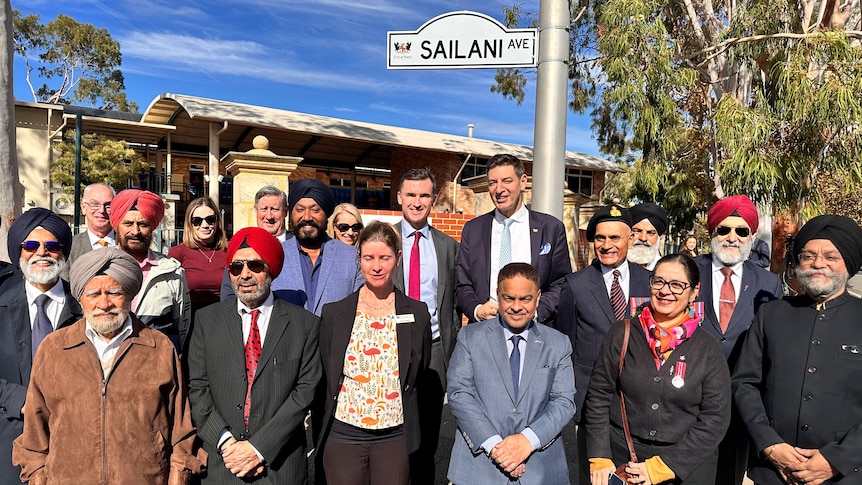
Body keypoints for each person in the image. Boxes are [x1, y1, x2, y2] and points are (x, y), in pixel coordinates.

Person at [12, 248, 203, 484]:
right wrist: (39, 478)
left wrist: (178, 477)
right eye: (93, 294)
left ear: (130, 295)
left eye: (114, 292)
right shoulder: (54, 350)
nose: (104, 303)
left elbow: (181, 430)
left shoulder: (159, 348)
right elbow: (34, 435)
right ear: (80, 297)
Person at [732, 215, 862, 485]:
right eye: (809, 255)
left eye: (830, 257)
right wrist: (769, 445)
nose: (818, 264)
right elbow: (744, 384)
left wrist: (837, 460)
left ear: (848, 264)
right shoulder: (772, 314)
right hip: (773, 471)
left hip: (846, 474)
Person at [188, 227, 322, 484]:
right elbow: (198, 387)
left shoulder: (304, 325)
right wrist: (227, 443)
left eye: (255, 265)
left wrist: (258, 448)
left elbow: (304, 394)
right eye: (236, 267)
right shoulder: (206, 321)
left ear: (270, 270)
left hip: (280, 466)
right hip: (223, 464)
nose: (245, 275)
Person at [586, 253, 731, 485]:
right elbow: (598, 397)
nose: (665, 291)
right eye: (659, 281)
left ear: (694, 292)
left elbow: (716, 417)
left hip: (686, 464)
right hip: (625, 461)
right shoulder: (622, 334)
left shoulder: (708, 348)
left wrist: (665, 467)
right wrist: (600, 456)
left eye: (677, 285)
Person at [317, 221, 432, 485]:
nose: (376, 266)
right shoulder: (335, 313)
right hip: (344, 434)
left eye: (385, 258)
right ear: (359, 258)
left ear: (398, 258)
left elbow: (419, 369)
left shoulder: (416, 313)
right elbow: (327, 368)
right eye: (369, 258)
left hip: (394, 436)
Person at [447, 262, 575, 485]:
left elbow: (564, 402)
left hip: (540, 468)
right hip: (479, 468)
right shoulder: (470, 337)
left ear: (538, 297)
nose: (517, 306)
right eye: (509, 298)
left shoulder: (558, 344)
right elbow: (459, 394)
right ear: (498, 295)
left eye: (525, 298)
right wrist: (496, 447)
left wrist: (527, 441)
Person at [554, 204, 652, 484]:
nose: (606, 245)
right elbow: (567, 343)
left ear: (630, 238)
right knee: (593, 477)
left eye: (615, 238)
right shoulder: (575, 285)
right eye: (600, 238)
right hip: (592, 403)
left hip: (640, 401)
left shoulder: (650, 282)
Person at [694, 195, 782, 485]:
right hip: (690, 396)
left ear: (752, 236)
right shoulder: (689, 270)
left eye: (741, 231)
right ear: (712, 232)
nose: (732, 237)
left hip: (739, 400)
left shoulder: (768, 283)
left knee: (729, 474)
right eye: (724, 229)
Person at [0, 208, 82, 484]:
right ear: (19, 251)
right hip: (8, 444)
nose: (42, 253)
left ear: (63, 251)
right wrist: (21, 400)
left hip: (73, 444)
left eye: (52, 246)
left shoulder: (86, 307)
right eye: (32, 245)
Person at [391, 167, 460, 484]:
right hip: (389, 350)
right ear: (399, 197)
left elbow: (456, 300)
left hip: (433, 351)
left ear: (433, 199)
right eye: (411, 195)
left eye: (424, 195)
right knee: (392, 436)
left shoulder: (447, 246)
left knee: (428, 436)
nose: (417, 202)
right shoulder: (384, 239)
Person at [456, 154, 571, 323]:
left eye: (507, 181)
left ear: (523, 181)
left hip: (534, 329)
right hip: (486, 329)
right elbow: (463, 285)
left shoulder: (551, 228)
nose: (499, 189)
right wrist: (477, 310)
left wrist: (535, 312)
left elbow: (561, 284)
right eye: (493, 182)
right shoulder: (473, 230)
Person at [111, 189, 191, 353]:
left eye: (143, 224)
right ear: (117, 226)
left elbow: (182, 328)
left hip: (157, 367)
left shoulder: (172, 272)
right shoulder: (99, 268)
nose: (135, 231)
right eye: (128, 224)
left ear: (152, 227)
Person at [269, 178, 364, 314]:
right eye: (300, 209)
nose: (307, 217)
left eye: (315, 210)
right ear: (290, 213)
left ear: (327, 215)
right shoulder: (275, 255)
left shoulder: (351, 257)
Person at [168, 197, 228, 317]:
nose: (205, 225)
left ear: (217, 222)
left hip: (224, 320)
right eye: (197, 221)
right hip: (190, 322)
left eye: (210, 220)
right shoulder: (177, 254)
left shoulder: (229, 252)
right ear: (189, 224)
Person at [69, 183, 116, 263]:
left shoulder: (128, 243)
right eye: (94, 204)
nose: (101, 210)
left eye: (108, 205)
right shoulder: (70, 246)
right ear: (83, 208)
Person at [628, 202, 669, 271]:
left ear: (660, 236)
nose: (643, 238)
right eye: (637, 231)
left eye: (650, 233)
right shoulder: (612, 267)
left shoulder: (667, 271)